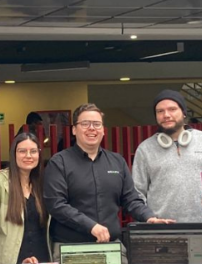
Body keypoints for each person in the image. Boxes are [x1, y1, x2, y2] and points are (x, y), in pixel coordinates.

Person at [44, 103, 170, 251]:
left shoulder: (117, 161)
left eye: (97, 124)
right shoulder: (59, 162)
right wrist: (91, 226)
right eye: (85, 124)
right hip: (71, 247)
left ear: (103, 130)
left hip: (111, 246)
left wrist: (149, 217)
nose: (92, 128)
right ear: (74, 129)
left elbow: (131, 199)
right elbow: (57, 205)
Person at [132, 90, 202, 239]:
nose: (166, 115)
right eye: (160, 111)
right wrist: (148, 220)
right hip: (160, 236)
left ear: (183, 113)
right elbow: (137, 194)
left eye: (172, 109)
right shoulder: (145, 149)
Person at [0, 132, 51, 264]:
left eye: (33, 151)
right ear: (14, 154)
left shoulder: (44, 185)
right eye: (22, 151)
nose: (28, 156)